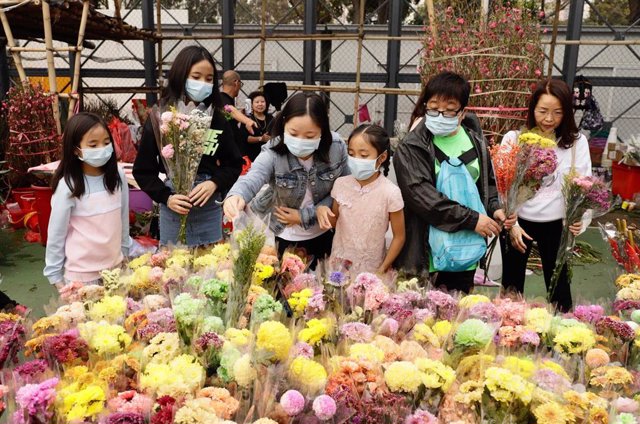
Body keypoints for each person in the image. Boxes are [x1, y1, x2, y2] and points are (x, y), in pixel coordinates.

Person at [393, 71, 513, 293]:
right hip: (425, 255)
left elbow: (485, 186)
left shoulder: (476, 141)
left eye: (448, 110)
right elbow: (422, 197)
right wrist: (472, 219)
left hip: (464, 252)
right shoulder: (411, 147)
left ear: (462, 112)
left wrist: (495, 209)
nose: (439, 115)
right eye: (433, 107)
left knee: (457, 314)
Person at [133, 46, 244, 247]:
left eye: (209, 79)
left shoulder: (217, 119)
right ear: (181, 75)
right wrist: (167, 198)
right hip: (174, 208)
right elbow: (142, 171)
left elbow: (234, 164)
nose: (203, 83)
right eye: (196, 76)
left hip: (208, 208)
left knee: (210, 268)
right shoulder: (162, 117)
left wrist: (214, 183)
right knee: (173, 271)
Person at [223, 92, 349, 267]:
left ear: (323, 131)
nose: (301, 141)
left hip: (324, 232)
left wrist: (306, 215)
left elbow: (345, 190)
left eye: (310, 136)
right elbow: (254, 176)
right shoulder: (274, 151)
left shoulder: (336, 147)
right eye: (294, 133)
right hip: (284, 233)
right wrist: (236, 195)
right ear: (284, 125)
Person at [501, 79, 591, 312]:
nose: (549, 119)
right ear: (532, 109)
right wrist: (511, 222)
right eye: (542, 111)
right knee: (511, 288)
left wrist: (580, 216)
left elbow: (584, 183)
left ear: (567, 113)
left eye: (557, 112)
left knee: (560, 289)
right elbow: (502, 186)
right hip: (519, 224)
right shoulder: (514, 139)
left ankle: (564, 337)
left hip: (557, 224)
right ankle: (510, 334)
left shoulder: (576, 143)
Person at [44, 112, 132, 289]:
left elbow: (123, 219)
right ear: (76, 150)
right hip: (82, 278)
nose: (102, 148)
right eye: (93, 144)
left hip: (116, 270)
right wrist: (55, 277)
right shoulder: (68, 186)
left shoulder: (117, 176)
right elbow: (56, 234)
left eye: (107, 143)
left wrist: (124, 253)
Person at [317, 124, 405, 275]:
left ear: (382, 157)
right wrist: (322, 210)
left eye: (364, 155)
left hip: (371, 270)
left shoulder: (390, 192)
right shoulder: (341, 184)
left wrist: (382, 268)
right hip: (338, 267)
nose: (356, 160)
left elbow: (399, 236)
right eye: (351, 153)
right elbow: (334, 221)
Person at [239, 91, 274, 162]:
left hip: (267, 157)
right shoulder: (247, 119)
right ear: (251, 104)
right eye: (257, 102)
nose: (260, 104)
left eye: (262, 102)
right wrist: (261, 138)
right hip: (250, 157)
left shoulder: (271, 118)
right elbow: (245, 138)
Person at [220, 70, 257, 136]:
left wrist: (241, 114)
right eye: (241, 84)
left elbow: (229, 119)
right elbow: (228, 109)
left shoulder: (227, 100)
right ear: (236, 83)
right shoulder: (222, 99)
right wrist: (247, 121)